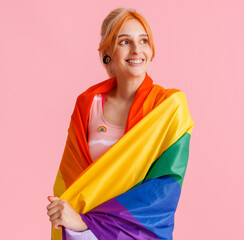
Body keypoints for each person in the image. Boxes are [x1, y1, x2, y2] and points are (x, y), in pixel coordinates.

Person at [46, 8, 194, 240]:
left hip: (136, 233)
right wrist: (63, 211)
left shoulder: (168, 108)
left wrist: (87, 223)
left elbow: (162, 193)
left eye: (143, 41)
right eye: (125, 41)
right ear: (108, 53)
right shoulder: (87, 105)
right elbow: (71, 181)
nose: (137, 50)